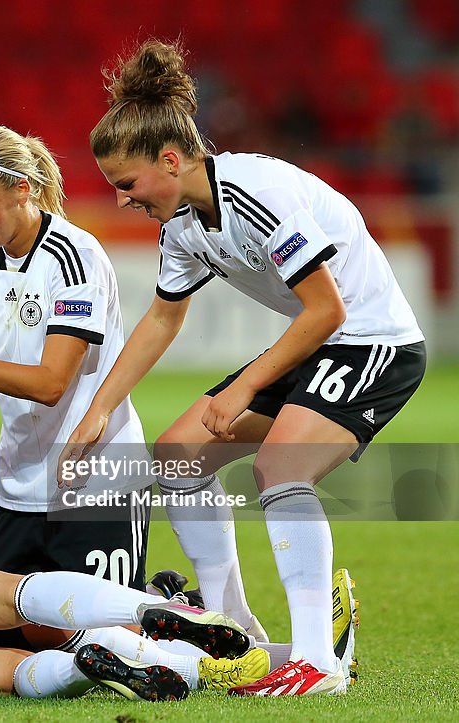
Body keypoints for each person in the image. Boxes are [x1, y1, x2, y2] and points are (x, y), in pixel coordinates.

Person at [61, 40, 423, 696]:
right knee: (177, 452)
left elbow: (327, 308)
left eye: (127, 184)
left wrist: (249, 386)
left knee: (279, 466)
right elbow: (162, 319)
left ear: (170, 160)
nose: (121, 200)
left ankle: (317, 662)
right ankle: (240, 633)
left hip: (375, 341)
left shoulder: (255, 191)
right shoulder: (183, 223)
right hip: (319, 342)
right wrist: (99, 408)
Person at [0, 124, 153, 585]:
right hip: (18, 486)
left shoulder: (73, 256)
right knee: (11, 646)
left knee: (104, 643)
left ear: (22, 190)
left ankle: (176, 605)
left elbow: (50, 383)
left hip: (98, 481)